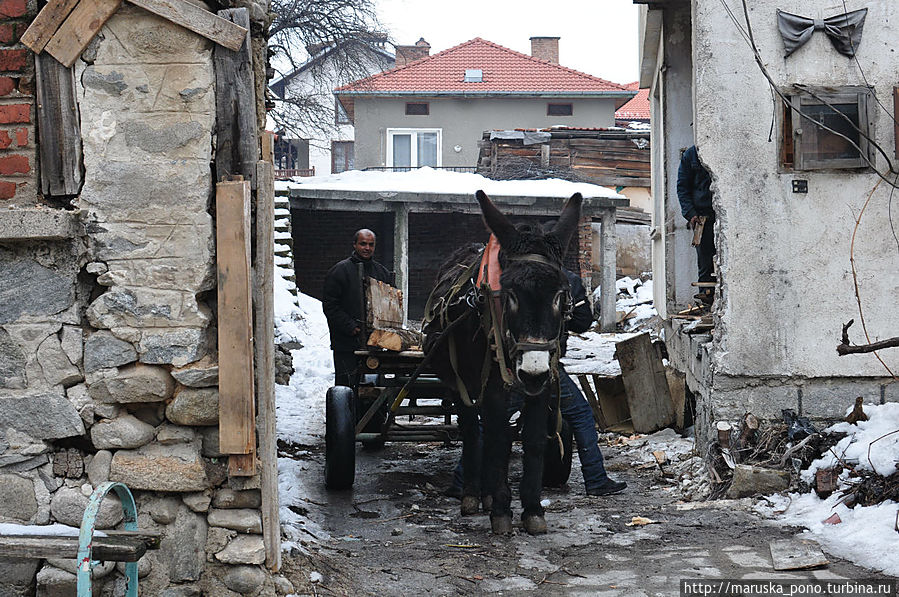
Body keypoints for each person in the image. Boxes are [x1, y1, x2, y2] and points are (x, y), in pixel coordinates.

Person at [447, 268, 627, 498]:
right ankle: (596, 480)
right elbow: (583, 322)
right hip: (545, 368)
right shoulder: (564, 278)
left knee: (491, 422)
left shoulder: (505, 276)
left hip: (510, 367)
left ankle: (463, 480)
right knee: (581, 415)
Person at [322, 229, 392, 388]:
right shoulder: (339, 271)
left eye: (371, 245)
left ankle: (375, 413)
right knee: (346, 386)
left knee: (376, 386)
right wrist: (350, 326)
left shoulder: (382, 273)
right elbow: (330, 305)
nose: (367, 248)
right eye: (363, 244)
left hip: (376, 343)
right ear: (354, 245)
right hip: (346, 343)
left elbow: (391, 304)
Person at [676, 145, 715, 303]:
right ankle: (707, 299)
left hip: (721, 214)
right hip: (702, 217)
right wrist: (691, 214)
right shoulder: (691, 155)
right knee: (705, 261)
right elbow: (682, 188)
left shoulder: (720, 148)